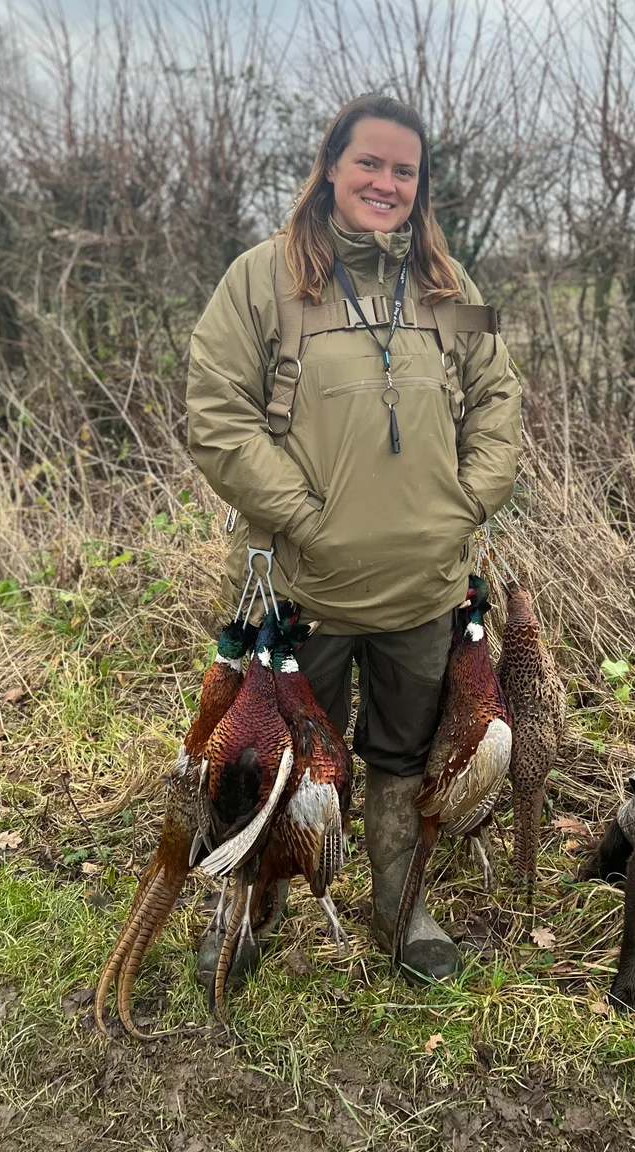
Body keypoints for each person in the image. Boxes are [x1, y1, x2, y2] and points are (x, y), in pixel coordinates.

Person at [185, 92, 522, 982]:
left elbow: (500, 396)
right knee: (275, 759)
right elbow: (216, 416)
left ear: (421, 186)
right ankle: (248, 909)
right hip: (303, 590)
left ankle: (402, 910)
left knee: (404, 760)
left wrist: (470, 501)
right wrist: (302, 515)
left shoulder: (453, 290)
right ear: (332, 165)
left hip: (426, 584)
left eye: (403, 170)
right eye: (368, 162)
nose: (385, 181)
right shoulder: (259, 280)